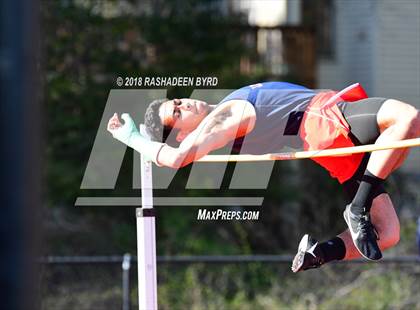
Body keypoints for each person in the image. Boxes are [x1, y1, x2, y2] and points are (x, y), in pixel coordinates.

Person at [107, 82, 420, 272]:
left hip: (326, 144)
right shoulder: (225, 115)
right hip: (324, 120)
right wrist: (132, 138)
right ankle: (357, 208)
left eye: (177, 102)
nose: (184, 104)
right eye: (177, 114)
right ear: (180, 135)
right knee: (407, 117)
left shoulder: (227, 110)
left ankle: (318, 253)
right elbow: (176, 159)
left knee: (388, 233)